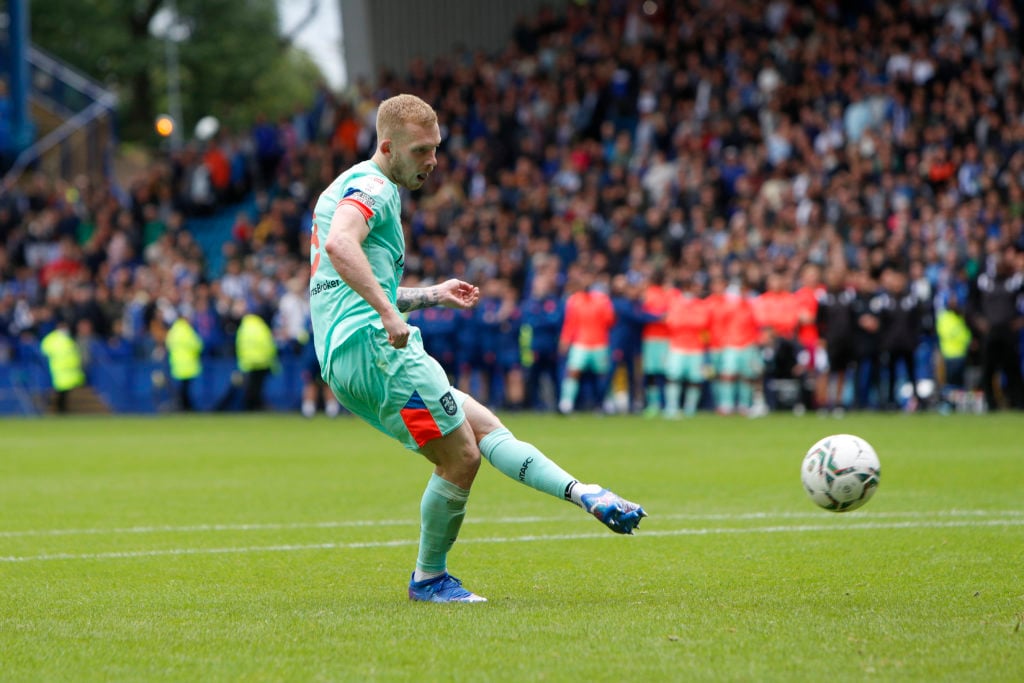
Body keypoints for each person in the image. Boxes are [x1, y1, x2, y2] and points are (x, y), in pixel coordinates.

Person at [308, 94, 646, 604]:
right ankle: (429, 579)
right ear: (387, 147)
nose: (432, 161)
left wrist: (430, 295)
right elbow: (340, 245)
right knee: (462, 458)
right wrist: (389, 315)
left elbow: (353, 280)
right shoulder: (374, 187)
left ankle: (585, 493)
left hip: (355, 352)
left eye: (436, 149)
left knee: (484, 429)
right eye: (420, 151)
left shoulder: (352, 186)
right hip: (375, 351)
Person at [165, 314, 203, 411]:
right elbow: (197, 345)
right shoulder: (186, 330)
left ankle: (183, 406)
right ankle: (185, 406)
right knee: (185, 388)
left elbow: (168, 345)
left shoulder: (173, 331)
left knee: (182, 387)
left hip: (177, 364)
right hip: (187, 364)